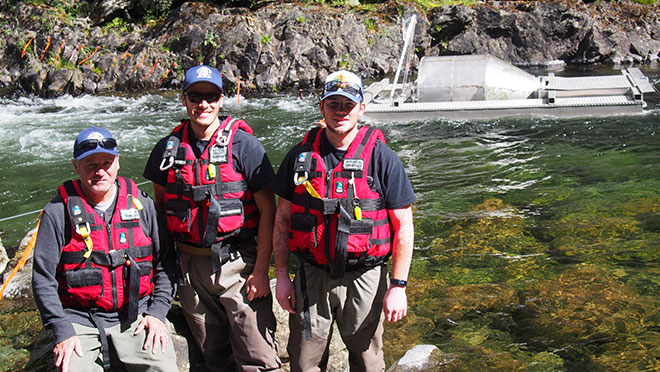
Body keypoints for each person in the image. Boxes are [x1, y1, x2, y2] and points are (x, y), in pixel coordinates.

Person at [272, 70, 417, 371]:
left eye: (348, 104)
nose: (341, 111)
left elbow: (404, 225)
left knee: (367, 361)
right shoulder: (298, 157)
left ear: (361, 108)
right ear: (321, 108)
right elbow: (282, 220)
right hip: (312, 275)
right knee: (304, 361)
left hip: (365, 277)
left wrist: (398, 286)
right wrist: (283, 275)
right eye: (333, 103)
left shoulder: (382, 158)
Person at [143, 65, 281, 372]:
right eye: (195, 96)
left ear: (221, 100)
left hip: (238, 263)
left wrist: (261, 271)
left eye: (211, 96)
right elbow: (162, 211)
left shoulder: (245, 146)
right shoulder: (167, 149)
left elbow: (269, 211)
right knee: (213, 357)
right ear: (184, 99)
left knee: (256, 354)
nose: (202, 104)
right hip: (190, 268)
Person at [32, 126, 177, 372]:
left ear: (117, 163)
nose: (100, 171)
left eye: (106, 162)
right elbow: (43, 279)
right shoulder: (57, 212)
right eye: (90, 164)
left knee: (164, 368)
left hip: (136, 317)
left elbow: (166, 263)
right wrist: (61, 328)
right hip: (79, 320)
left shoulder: (142, 204)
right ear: (75, 166)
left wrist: (157, 312)